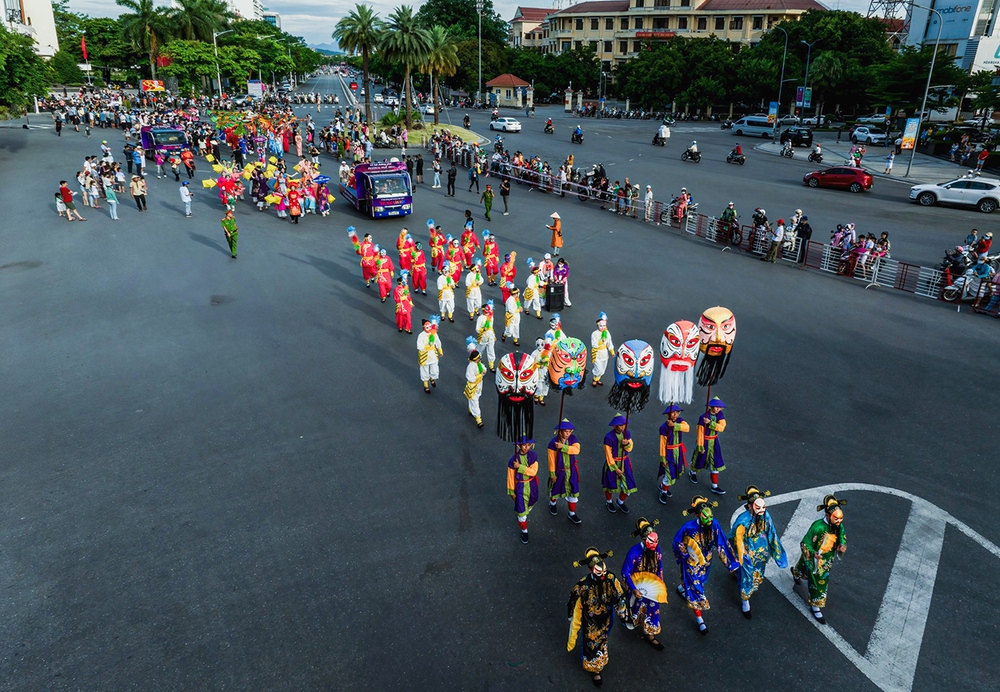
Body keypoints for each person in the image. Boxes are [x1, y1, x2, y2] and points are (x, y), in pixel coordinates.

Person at [672, 496, 739, 634]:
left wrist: (731, 563)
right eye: (705, 517)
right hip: (691, 563)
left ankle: (682, 587)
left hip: (706, 561)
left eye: (710, 517)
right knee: (697, 589)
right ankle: (699, 619)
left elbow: (721, 543)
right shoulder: (688, 527)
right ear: (697, 514)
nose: (709, 520)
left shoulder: (714, 524)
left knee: (699, 581)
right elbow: (677, 543)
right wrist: (685, 554)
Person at [567, 547, 626, 688]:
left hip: (606, 616)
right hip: (590, 620)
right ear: (590, 569)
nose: (603, 575)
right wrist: (571, 615)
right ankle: (595, 669)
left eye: (604, 571)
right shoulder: (582, 585)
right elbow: (572, 600)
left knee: (603, 639)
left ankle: (596, 663)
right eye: (599, 572)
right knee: (591, 642)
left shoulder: (611, 578)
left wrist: (622, 610)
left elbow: (619, 594)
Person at [730, 486, 787, 619]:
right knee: (747, 575)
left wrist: (776, 552)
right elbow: (737, 539)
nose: (762, 510)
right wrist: (741, 552)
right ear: (750, 506)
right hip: (747, 552)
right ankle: (745, 601)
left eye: (763, 507)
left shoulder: (765, 515)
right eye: (758, 507)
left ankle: (738, 574)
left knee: (758, 573)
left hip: (762, 551)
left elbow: (771, 531)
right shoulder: (743, 520)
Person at [792, 494, 848, 624]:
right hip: (816, 558)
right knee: (817, 580)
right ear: (828, 515)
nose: (839, 522)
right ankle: (815, 606)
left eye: (840, 519)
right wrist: (812, 554)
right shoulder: (817, 527)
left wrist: (841, 545)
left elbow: (842, 536)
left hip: (826, 559)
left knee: (807, 569)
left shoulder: (839, 526)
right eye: (836, 518)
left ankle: (797, 574)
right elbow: (805, 543)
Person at [621, 518, 666, 650]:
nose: (655, 546)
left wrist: (660, 582)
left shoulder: (657, 549)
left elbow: (660, 565)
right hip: (637, 586)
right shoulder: (633, 552)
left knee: (653, 610)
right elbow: (625, 572)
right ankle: (629, 619)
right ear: (643, 540)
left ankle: (649, 633)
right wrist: (634, 589)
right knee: (634, 606)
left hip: (652, 586)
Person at [547, 419, 582, 524]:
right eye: (566, 431)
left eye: (570, 431)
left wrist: (563, 447)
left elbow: (577, 450)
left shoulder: (573, 439)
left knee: (573, 492)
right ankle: (552, 504)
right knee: (555, 489)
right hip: (559, 472)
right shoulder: (552, 443)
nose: (568, 433)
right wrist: (552, 474)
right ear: (560, 431)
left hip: (571, 471)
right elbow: (551, 461)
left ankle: (572, 513)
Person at [690, 398, 728, 494]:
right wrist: (701, 446)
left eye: (719, 407)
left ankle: (714, 485)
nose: (718, 409)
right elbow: (700, 433)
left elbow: (721, 428)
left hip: (714, 441)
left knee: (716, 462)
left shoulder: (720, 415)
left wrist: (710, 423)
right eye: (716, 407)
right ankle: (692, 472)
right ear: (711, 407)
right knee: (699, 459)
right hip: (704, 441)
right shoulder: (702, 417)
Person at [507, 436, 539, 543]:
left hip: (531, 485)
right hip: (520, 487)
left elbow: (533, 472)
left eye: (528, 445)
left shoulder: (533, 456)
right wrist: (512, 491)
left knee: (532, 502)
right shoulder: (513, 459)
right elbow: (510, 476)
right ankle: (524, 530)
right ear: (519, 445)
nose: (526, 447)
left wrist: (520, 467)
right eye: (524, 445)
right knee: (521, 511)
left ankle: (525, 512)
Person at [602, 414, 636, 514]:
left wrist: (627, 444)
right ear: (614, 426)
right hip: (612, 463)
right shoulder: (608, 437)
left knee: (628, 485)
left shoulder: (627, 433)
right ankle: (609, 502)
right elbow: (608, 454)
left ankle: (620, 501)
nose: (623, 427)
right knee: (610, 485)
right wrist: (615, 469)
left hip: (625, 462)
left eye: (624, 425)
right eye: (620, 425)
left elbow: (630, 448)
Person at [658, 404, 689, 503]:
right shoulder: (663, 427)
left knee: (674, 472)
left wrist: (675, 425)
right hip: (669, 453)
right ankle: (663, 491)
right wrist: (663, 458)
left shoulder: (680, 421)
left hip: (678, 451)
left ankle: (664, 487)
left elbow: (687, 428)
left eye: (677, 412)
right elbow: (662, 444)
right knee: (669, 474)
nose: (675, 414)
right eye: (673, 412)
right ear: (668, 414)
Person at [416, 317, 443, 393]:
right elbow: (419, 346)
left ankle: (432, 378)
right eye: (426, 326)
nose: (428, 328)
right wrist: (426, 347)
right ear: (423, 327)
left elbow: (438, 342)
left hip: (433, 355)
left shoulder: (434, 333)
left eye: (429, 326)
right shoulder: (421, 336)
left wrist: (440, 350)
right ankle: (426, 386)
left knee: (434, 370)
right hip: (425, 356)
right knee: (424, 370)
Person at [464, 340, 486, 429]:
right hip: (473, 386)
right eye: (478, 358)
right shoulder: (471, 366)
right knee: (475, 401)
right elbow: (470, 377)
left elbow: (483, 368)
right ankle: (478, 419)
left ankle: (470, 409)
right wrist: (479, 376)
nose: (480, 359)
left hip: (479, 385)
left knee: (474, 399)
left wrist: (484, 371)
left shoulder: (479, 364)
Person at [590, 313, 615, 387]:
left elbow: (609, 342)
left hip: (604, 353)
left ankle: (598, 379)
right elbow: (593, 344)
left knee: (603, 368)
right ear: (597, 325)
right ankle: (595, 379)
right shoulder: (594, 334)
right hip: (597, 353)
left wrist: (612, 351)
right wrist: (601, 342)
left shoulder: (607, 333)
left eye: (604, 325)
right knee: (598, 368)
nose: (603, 327)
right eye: (601, 326)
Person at [475, 300, 496, 371]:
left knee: (491, 350)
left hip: (490, 335)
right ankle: (478, 361)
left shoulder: (491, 317)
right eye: (485, 311)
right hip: (483, 337)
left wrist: (493, 335)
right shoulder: (480, 318)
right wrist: (483, 329)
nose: (487, 312)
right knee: (480, 349)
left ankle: (491, 365)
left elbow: (491, 326)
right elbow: (477, 329)